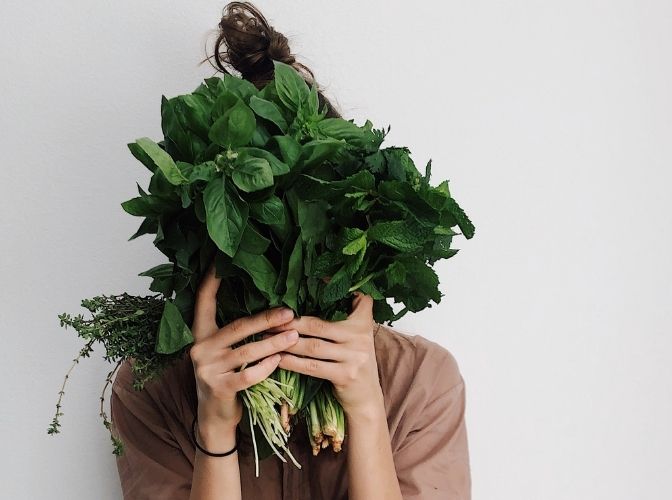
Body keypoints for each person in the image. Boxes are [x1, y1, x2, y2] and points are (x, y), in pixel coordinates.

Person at [110, 3, 471, 499]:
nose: (282, 278)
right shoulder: (152, 388)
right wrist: (214, 429)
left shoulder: (419, 382)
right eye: (260, 241)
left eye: (306, 233)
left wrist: (366, 411)